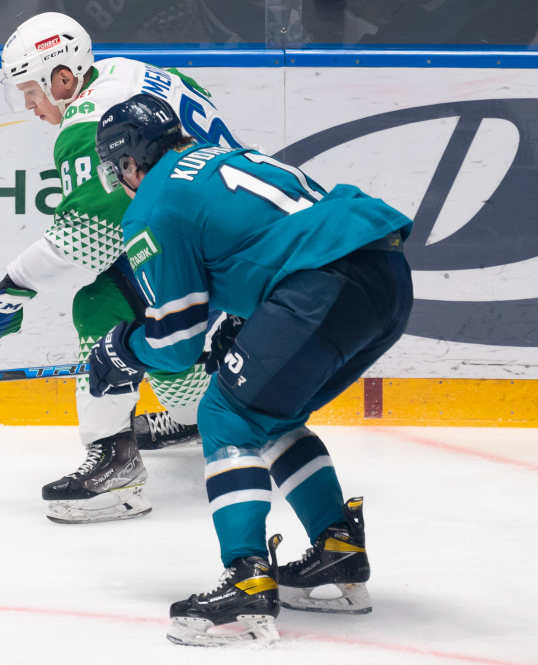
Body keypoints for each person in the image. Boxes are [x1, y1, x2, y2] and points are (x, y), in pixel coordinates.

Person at [86, 94, 413, 646]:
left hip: (320, 286)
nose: (119, 181)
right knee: (269, 412)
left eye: (116, 169)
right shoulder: (219, 157)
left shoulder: (153, 205)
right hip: (386, 274)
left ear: (129, 161)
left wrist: (121, 350)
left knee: (225, 415)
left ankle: (246, 578)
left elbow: (175, 346)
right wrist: (246, 324)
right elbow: (274, 237)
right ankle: (336, 549)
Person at [0, 12, 245, 524]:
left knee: (100, 303)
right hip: (231, 237)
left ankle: (116, 468)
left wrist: (8, 289)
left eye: (30, 91)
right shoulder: (135, 72)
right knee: (147, 310)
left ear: (62, 78)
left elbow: (85, 244)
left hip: (204, 252)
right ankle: (198, 415)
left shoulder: (89, 123)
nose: (28, 105)